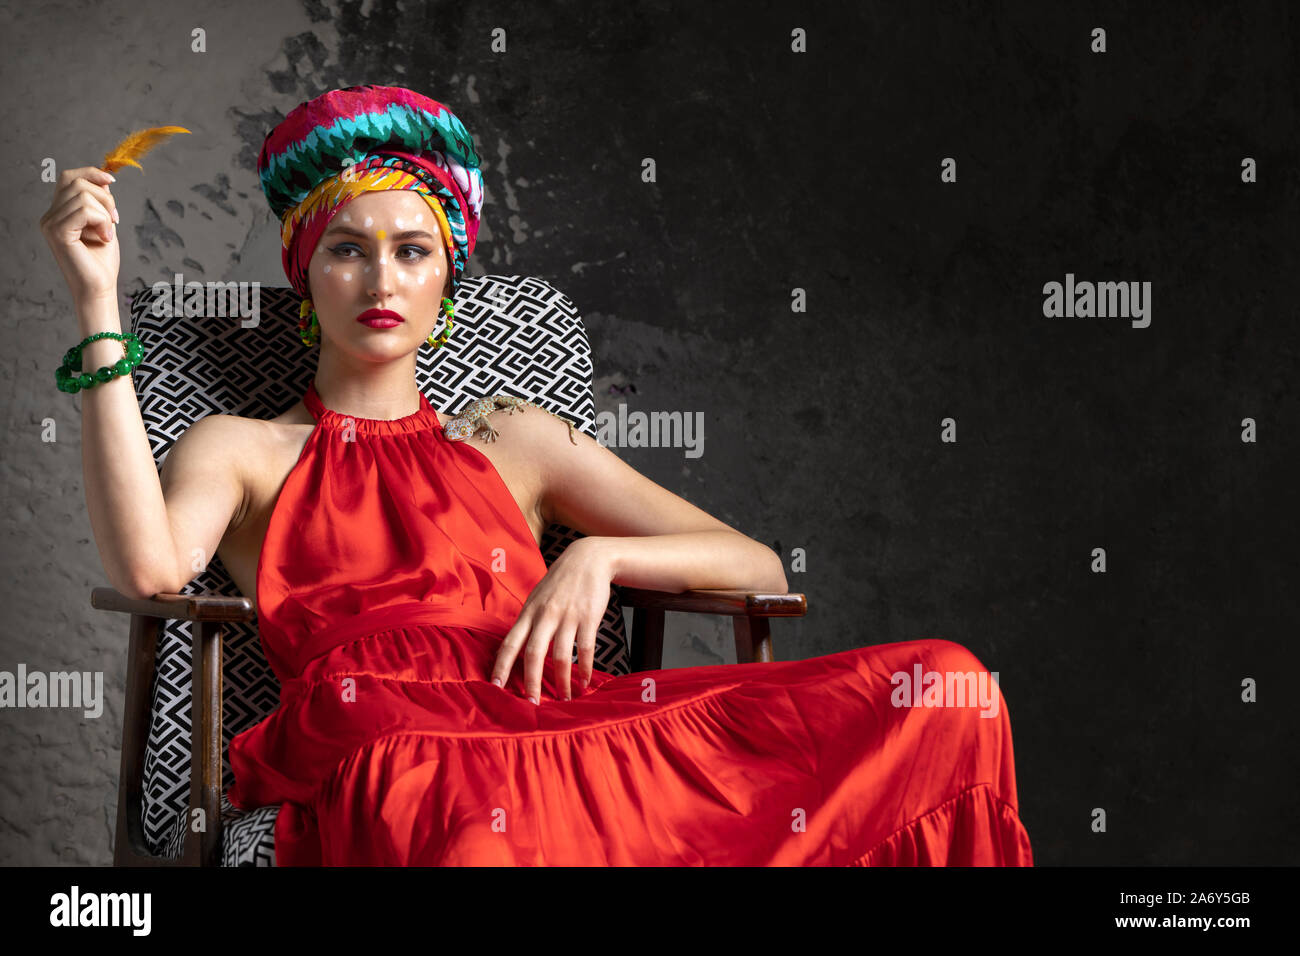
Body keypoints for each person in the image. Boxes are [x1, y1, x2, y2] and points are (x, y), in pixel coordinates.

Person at [41, 84, 1034, 866]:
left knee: (945, 683)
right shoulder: (242, 447)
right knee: (482, 827)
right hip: (391, 753)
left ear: (445, 282)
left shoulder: (514, 438)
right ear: (307, 274)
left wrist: (597, 553)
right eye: (347, 249)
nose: (381, 280)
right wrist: (97, 299)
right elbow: (151, 571)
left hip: (554, 728)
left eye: (412, 251)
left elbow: (758, 565)